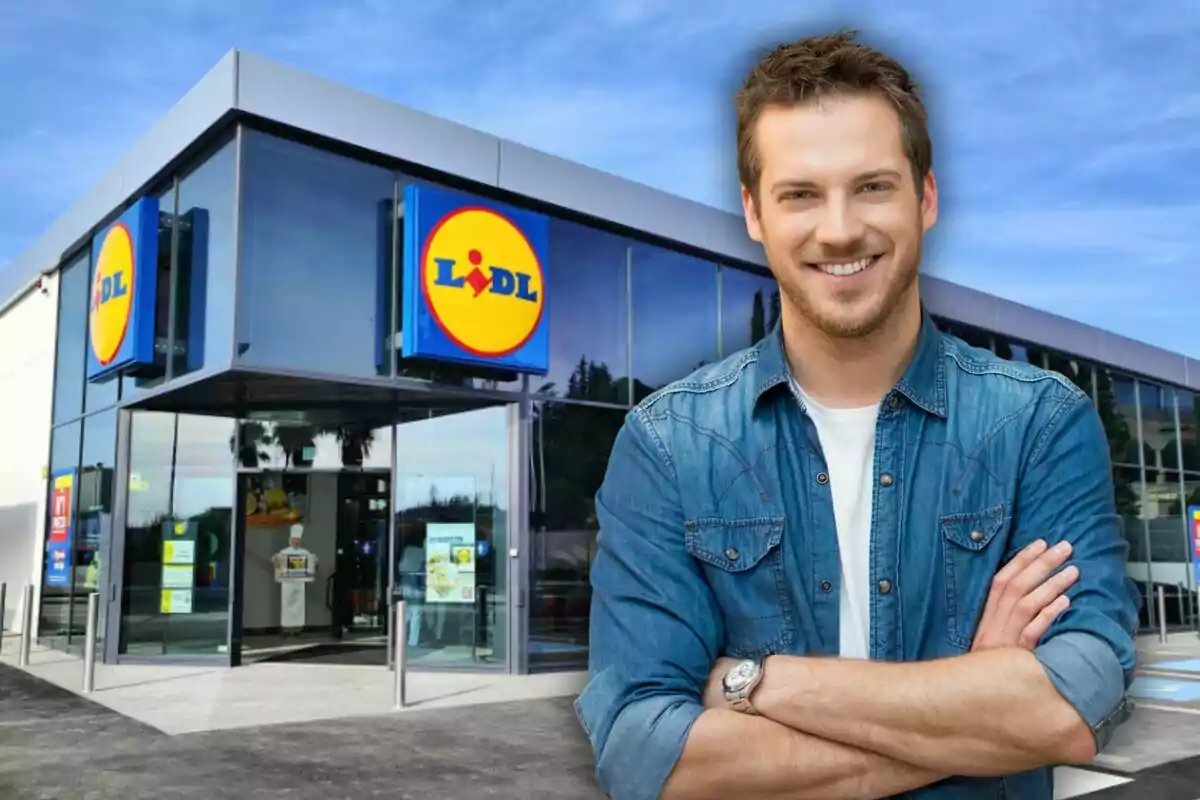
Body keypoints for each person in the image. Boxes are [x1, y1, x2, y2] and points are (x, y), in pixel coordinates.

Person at [576, 29, 1141, 800]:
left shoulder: (1039, 425)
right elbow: (643, 753)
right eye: (800, 194)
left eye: (872, 186)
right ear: (753, 212)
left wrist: (755, 682)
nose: (839, 228)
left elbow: (1075, 701)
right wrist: (977, 706)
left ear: (927, 197)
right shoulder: (668, 446)